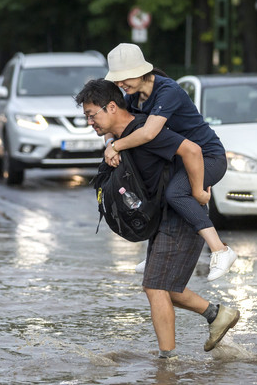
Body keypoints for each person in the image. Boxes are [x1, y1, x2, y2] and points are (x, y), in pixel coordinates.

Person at [76, 78, 240, 358]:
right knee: (166, 286)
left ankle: (167, 363)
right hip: (164, 216)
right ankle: (217, 315)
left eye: (92, 115)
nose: (90, 122)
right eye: (87, 116)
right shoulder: (124, 134)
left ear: (112, 107)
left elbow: (192, 150)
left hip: (181, 216)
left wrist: (199, 189)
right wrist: (112, 145)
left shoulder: (144, 130)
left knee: (155, 286)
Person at [103, 43, 236, 281]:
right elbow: (117, 123)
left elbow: (148, 133)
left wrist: (116, 146)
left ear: (142, 71)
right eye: (117, 80)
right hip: (180, 160)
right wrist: (109, 142)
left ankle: (221, 250)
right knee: (155, 191)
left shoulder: (168, 91)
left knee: (175, 193)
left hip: (208, 157)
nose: (121, 84)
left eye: (125, 78)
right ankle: (154, 254)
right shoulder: (133, 97)